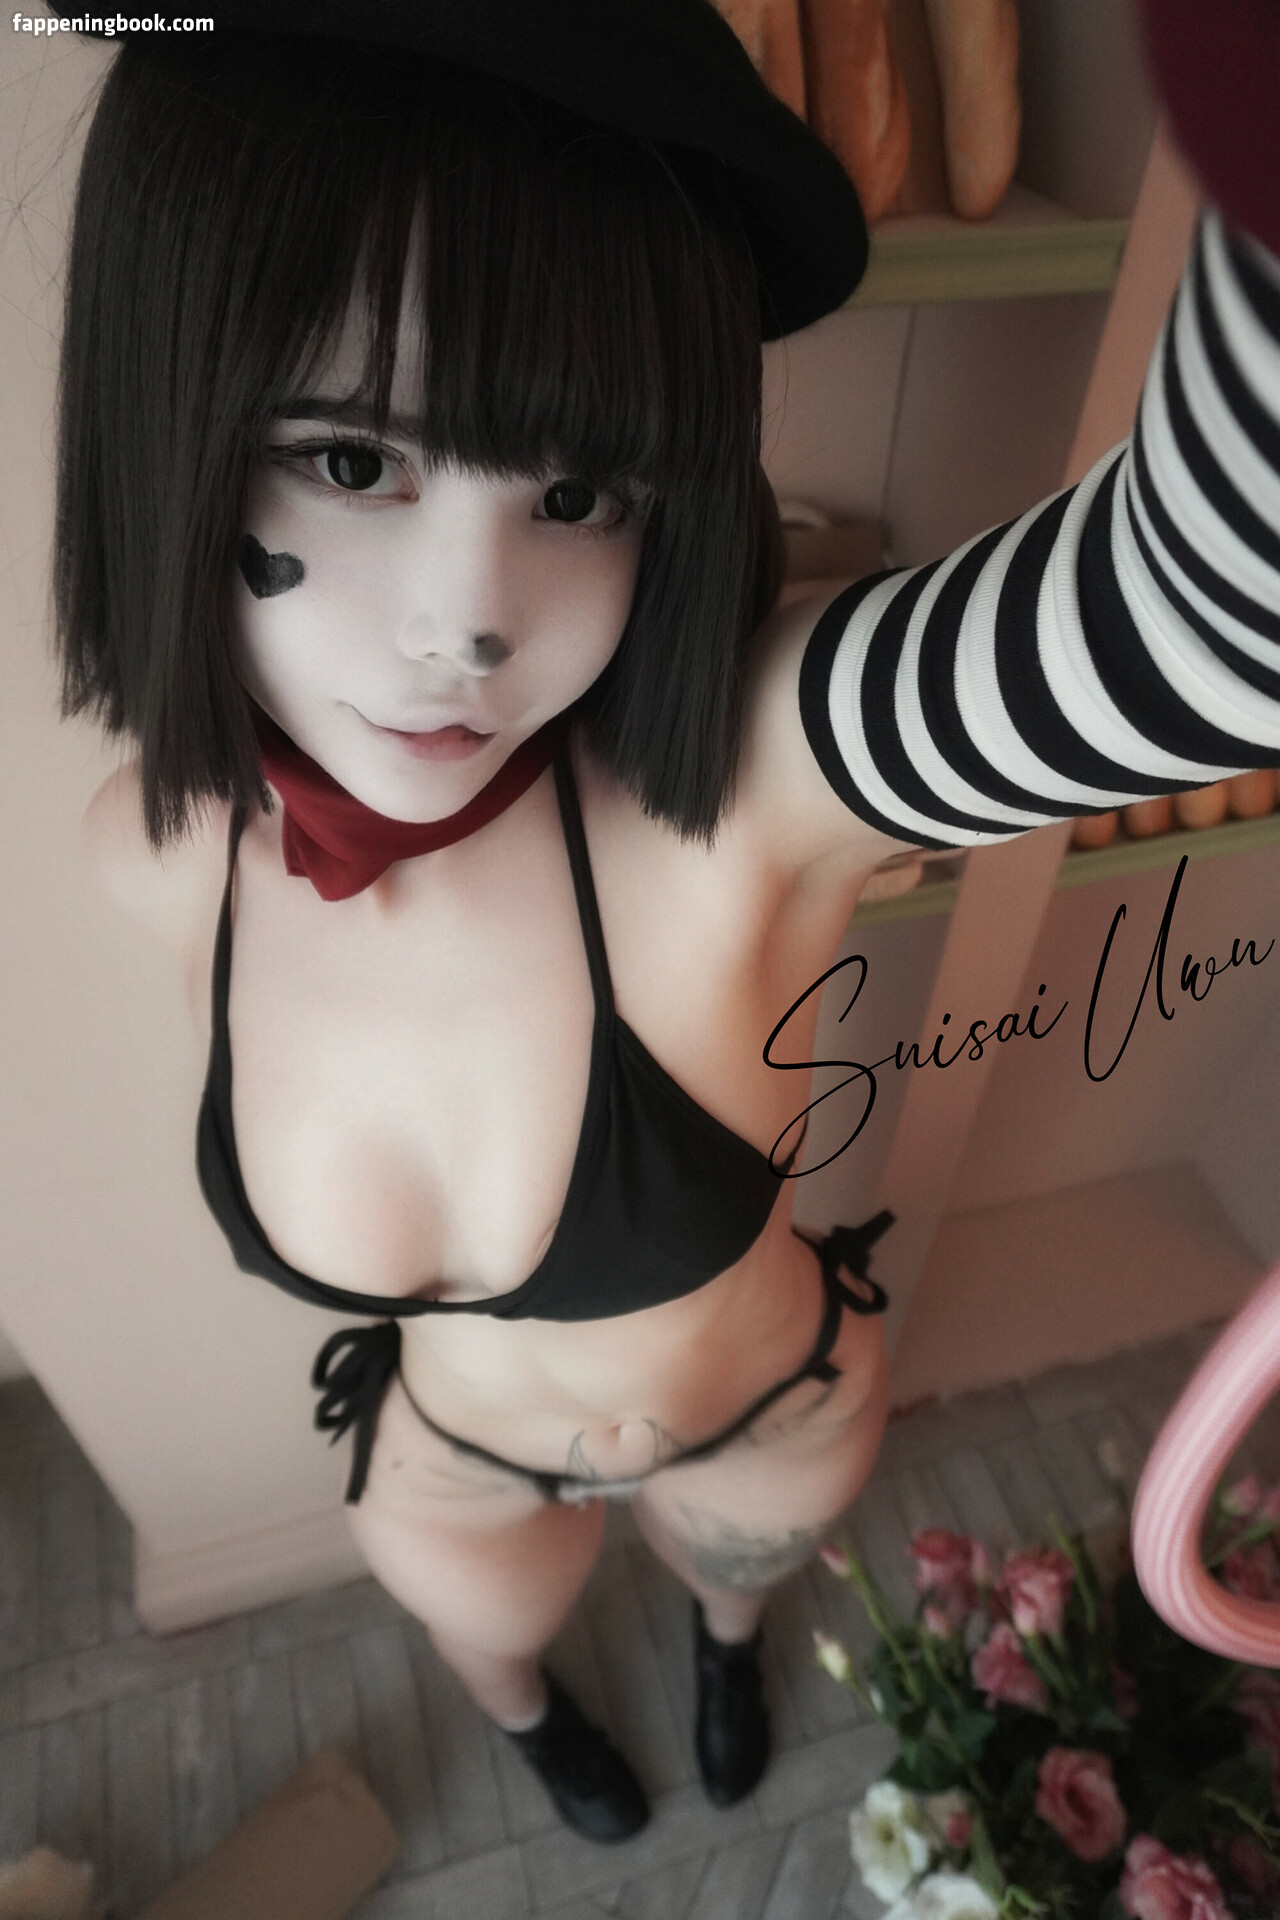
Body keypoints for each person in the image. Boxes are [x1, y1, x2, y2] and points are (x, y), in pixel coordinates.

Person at [49, 0, 1280, 1845]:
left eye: (579, 493)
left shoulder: (752, 787)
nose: (470, 624)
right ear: (165, 411)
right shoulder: (154, 851)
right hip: (453, 1467)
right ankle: (540, 1723)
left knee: (738, 1597)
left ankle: (720, 1657)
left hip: (766, 1421)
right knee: (498, 1654)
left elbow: (1205, 622)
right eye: (353, 459)